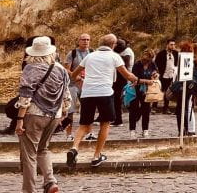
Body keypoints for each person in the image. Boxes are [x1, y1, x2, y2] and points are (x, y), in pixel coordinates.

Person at [66, 33, 138, 168]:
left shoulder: (89, 56)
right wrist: (135, 79)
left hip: (87, 93)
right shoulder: (114, 56)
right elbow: (127, 74)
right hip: (105, 93)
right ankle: (96, 155)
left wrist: (81, 80)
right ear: (113, 44)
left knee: (84, 124)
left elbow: (74, 73)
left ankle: (74, 148)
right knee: (105, 123)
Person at [15, 36, 71, 193]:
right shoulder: (61, 69)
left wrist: (19, 120)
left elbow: (25, 96)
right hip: (54, 115)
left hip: (34, 114)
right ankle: (50, 182)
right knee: (44, 148)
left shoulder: (30, 68)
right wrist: (64, 112)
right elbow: (66, 95)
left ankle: (29, 190)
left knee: (29, 155)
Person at [62, 33, 92, 141]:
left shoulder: (92, 53)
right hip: (73, 84)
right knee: (70, 110)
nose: (85, 41)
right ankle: (69, 135)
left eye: (88, 39)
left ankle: (89, 133)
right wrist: (76, 76)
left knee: (88, 109)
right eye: (83, 39)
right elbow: (66, 69)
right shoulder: (73, 53)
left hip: (87, 85)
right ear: (78, 41)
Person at [128, 48, 159, 138]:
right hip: (135, 89)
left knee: (146, 110)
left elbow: (156, 72)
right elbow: (134, 79)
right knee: (133, 110)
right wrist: (147, 81)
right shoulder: (137, 65)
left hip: (147, 91)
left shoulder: (152, 64)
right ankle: (132, 130)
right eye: (145, 60)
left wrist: (156, 75)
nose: (146, 61)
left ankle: (145, 130)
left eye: (148, 60)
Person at [112, 37, 134, 126]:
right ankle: (117, 118)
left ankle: (118, 119)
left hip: (123, 78)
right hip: (121, 78)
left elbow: (125, 64)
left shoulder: (127, 52)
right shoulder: (123, 52)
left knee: (119, 99)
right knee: (118, 99)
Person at [154, 39, 179, 114]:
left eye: (174, 44)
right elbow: (156, 64)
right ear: (167, 45)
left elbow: (177, 63)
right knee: (159, 90)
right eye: (171, 44)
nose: (173, 46)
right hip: (162, 75)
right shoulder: (161, 54)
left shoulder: (176, 53)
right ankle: (154, 107)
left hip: (171, 75)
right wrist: (158, 72)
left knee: (168, 92)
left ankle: (166, 108)